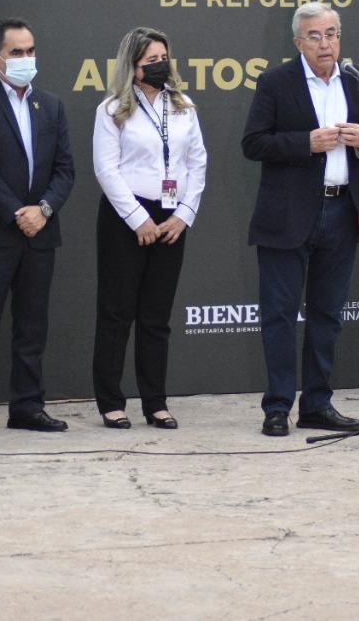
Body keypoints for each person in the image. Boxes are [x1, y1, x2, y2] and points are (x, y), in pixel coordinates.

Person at [242, 2, 359, 437]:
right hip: (288, 215)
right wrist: (305, 143)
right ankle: (278, 406)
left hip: (343, 211)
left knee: (328, 314)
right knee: (280, 315)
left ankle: (318, 403)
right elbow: (253, 143)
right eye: (315, 36)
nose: (325, 43)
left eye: (331, 34)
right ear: (298, 42)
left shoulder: (358, 81)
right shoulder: (275, 83)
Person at [0, 18, 75, 437]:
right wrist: (16, 212)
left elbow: (64, 170)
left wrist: (41, 210)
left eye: (31, 51)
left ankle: (27, 406)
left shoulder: (52, 105)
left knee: (32, 324)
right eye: (16, 52)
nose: (26, 59)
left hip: (40, 232)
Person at [92, 27, 207, 430]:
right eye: (151, 61)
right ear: (133, 67)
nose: (160, 66)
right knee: (117, 312)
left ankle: (155, 403)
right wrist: (137, 219)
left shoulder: (184, 107)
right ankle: (110, 402)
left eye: (164, 58)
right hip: (126, 216)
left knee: (156, 316)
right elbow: (106, 169)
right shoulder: (111, 110)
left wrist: (184, 215)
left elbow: (197, 164)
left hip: (172, 216)